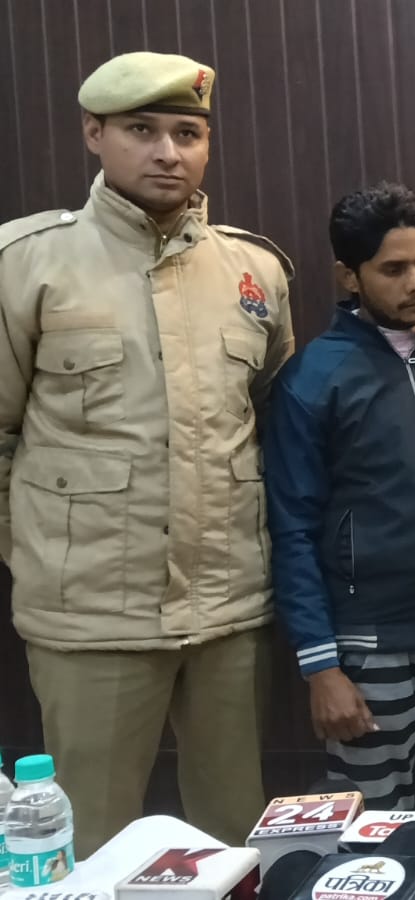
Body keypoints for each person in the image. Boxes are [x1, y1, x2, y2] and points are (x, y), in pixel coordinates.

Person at [0, 51, 294, 851]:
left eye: (187, 134)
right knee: (89, 841)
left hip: (229, 610)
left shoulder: (255, 270)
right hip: (90, 616)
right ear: (94, 133)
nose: (168, 152)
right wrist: (42, 553)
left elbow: (270, 420)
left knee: (234, 839)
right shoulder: (28, 265)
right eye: (141, 130)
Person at [264, 183, 415, 809]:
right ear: (349, 276)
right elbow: (292, 529)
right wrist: (321, 667)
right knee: (371, 828)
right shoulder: (312, 380)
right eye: (394, 269)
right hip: (368, 648)